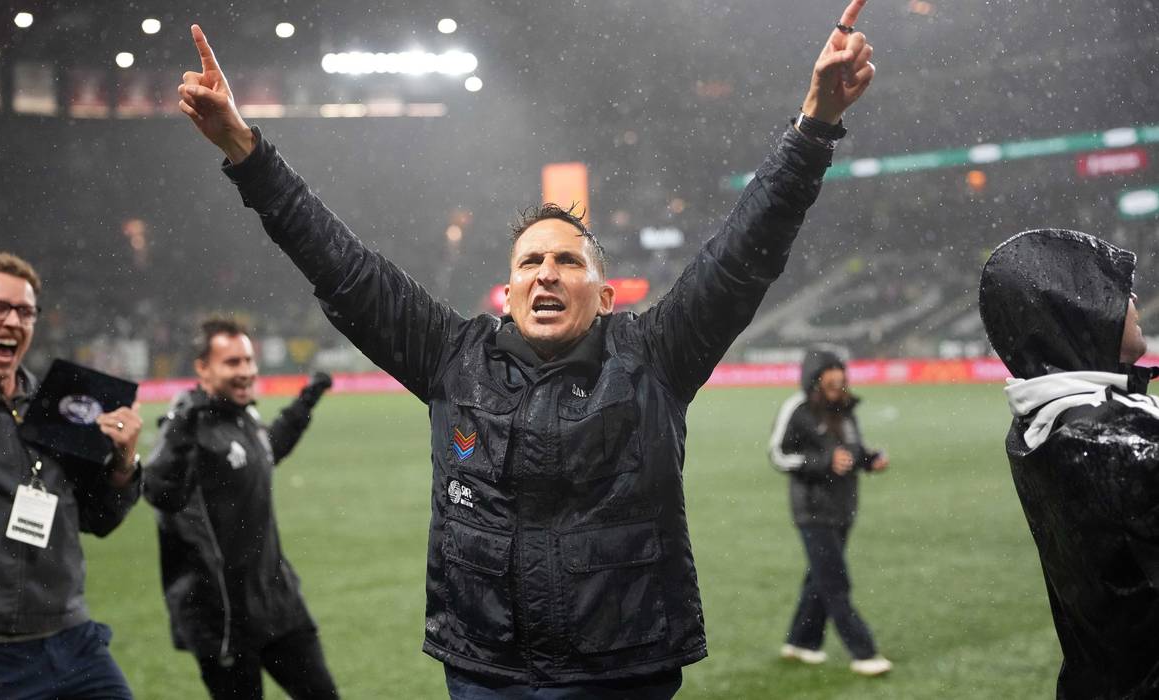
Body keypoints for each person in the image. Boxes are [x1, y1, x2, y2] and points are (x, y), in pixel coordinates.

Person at [176, 0, 875, 694]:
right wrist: (244, 149)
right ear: (507, 293)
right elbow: (342, 268)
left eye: (568, 261)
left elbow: (743, 254)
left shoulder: (654, 357)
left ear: (606, 296)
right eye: (530, 262)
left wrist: (815, 124)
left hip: (620, 673)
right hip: (488, 673)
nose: (546, 272)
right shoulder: (452, 358)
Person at [0, 252, 143, 698]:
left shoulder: (59, 405)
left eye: (25, 311)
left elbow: (98, 518)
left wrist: (122, 463)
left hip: (73, 640)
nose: (12, 320)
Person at [979, 229, 1159, 698]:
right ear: (1082, 313)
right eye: (1117, 292)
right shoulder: (1101, 434)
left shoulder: (1044, 420)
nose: (1133, 300)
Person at [143, 318, 339, 700]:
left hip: (277, 602)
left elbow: (266, 451)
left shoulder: (242, 416)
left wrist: (304, 404)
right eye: (232, 362)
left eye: (249, 360)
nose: (246, 371)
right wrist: (181, 425)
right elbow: (159, 489)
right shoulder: (189, 427)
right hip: (223, 617)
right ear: (203, 368)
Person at [767, 347, 891, 676]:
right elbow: (778, 455)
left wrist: (871, 460)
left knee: (819, 580)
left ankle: (801, 643)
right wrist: (824, 462)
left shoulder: (846, 410)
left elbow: (853, 452)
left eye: (841, 379)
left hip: (843, 509)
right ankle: (864, 652)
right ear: (815, 380)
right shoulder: (797, 408)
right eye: (830, 380)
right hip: (812, 511)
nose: (838, 386)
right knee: (836, 582)